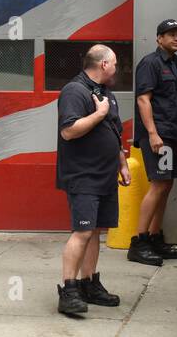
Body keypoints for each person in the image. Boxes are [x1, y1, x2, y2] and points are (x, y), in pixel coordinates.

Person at [55, 44, 130, 317]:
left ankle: (89, 283)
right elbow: (69, 131)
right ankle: (69, 289)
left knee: (96, 230)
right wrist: (97, 114)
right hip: (83, 175)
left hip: (105, 174)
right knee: (83, 231)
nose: (117, 68)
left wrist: (122, 164)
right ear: (103, 65)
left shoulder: (105, 93)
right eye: (114, 64)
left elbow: (114, 131)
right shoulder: (74, 91)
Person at [130, 19, 177, 266]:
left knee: (166, 185)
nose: (176, 38)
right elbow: (143, 101)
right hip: (160, 136)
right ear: (159, 38)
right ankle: (139, 242)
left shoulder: (176, 65)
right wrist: (153, 134)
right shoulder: (150, 63)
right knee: (158, 184)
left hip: (174, 136)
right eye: (170, 34)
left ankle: (155, 238)